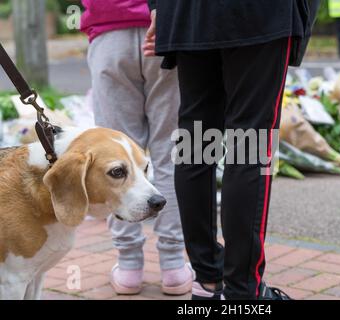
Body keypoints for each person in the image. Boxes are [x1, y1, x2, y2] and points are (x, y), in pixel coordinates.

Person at [143, 0, 319, 300]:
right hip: (257, 15)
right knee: (249, 144)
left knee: (197, 141)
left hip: (187, 12)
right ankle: (242, 291)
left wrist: (158, 6)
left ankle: (208, 276)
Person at [80, 0, 193, 296]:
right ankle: (174, 265)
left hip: (108, 33)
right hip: (166, 30)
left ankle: (129, 265)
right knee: (172, 154)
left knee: (115, 159)